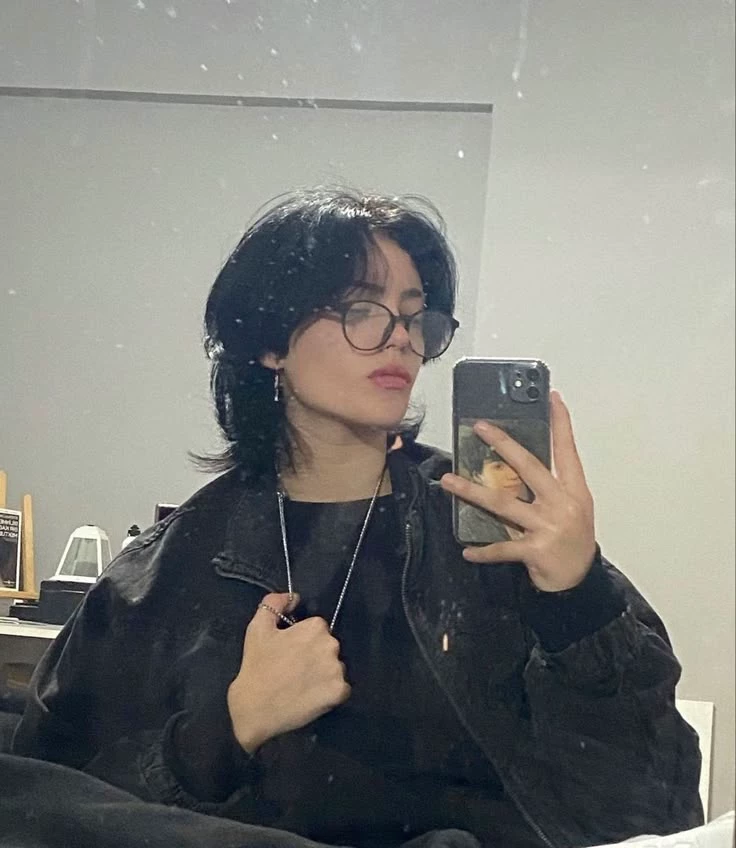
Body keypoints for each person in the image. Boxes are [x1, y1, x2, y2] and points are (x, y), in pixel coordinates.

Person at [11, 188, 703, 848]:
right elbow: (50, 806)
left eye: (415, 316)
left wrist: (578, 598)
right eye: (361, 309)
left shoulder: (492, 533)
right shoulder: (165, 574)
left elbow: (655, 810)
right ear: (270, 342)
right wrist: (226, 730)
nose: (400, 338)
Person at [457, 431, 531, 544]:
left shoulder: (537, 506)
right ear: (477, 476)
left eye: (515, 464)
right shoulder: (469, 522)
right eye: (498, 467)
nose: (513, 475)